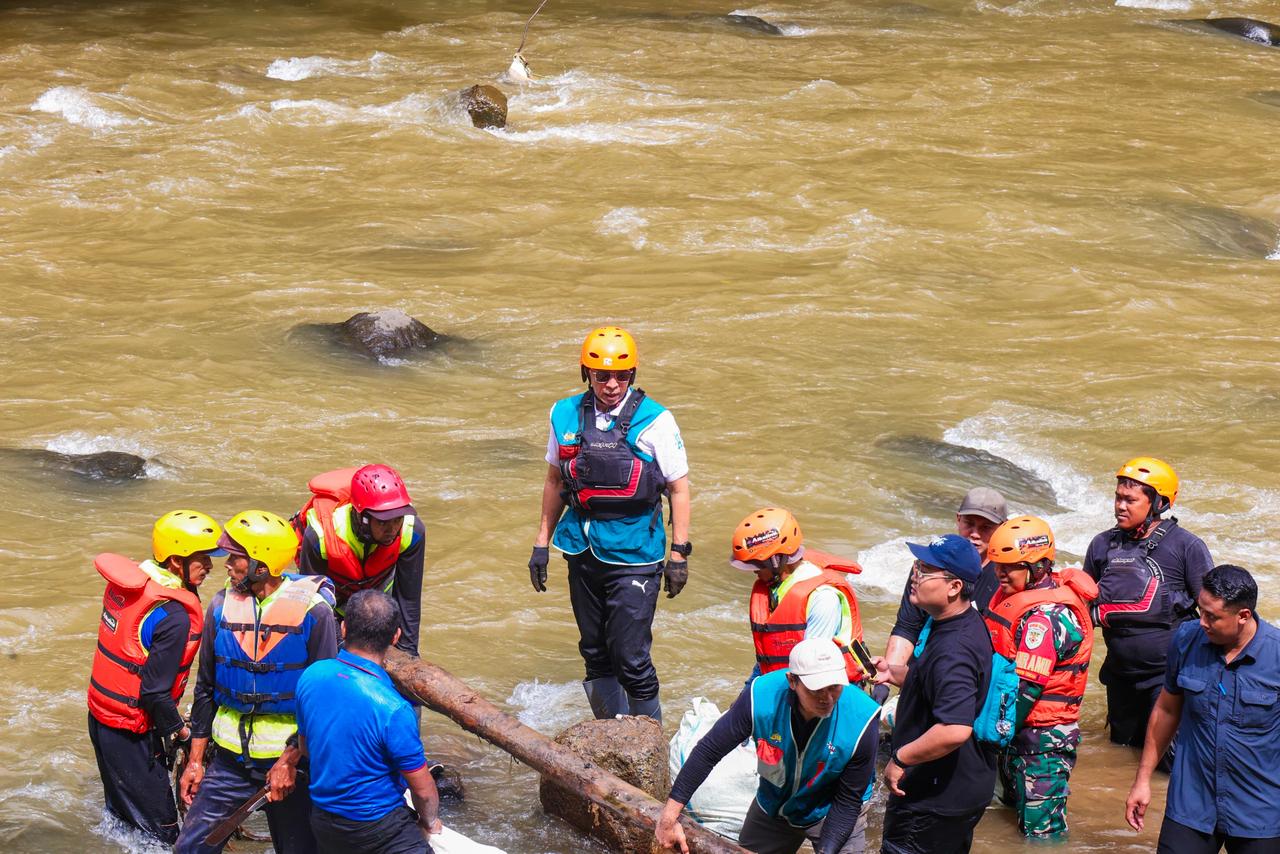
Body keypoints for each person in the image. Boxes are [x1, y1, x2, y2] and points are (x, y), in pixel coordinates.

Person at [528, 325, 691, 721]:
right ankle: (606, 733)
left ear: (632, 374)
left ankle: (648, 739)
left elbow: (679, 488)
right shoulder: (563, 413)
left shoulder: (657, 421)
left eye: (621, 376)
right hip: (581, 547)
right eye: (602, 376)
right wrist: (541, 543)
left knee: (631, 657)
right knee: (595, 652)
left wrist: (679, 554)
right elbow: (554, 480)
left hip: (635, 551)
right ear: (587, 373)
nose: (612, 385)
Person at [176, 510, 338, 854]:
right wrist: (195, 761)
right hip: (230, 764)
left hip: (291, 766)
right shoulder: (221, 606)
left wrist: (290, 761)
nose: (226, 564)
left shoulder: (315, 613)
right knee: (190, 849)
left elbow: (323, 702)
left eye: (235, 557)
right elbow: (205, 688)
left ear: (260, 567)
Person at [655, 638, 880, 854]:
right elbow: (709, 751)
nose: (827, 698)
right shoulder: (760, 697)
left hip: (831, 808)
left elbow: (848, 800)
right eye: (816, 689)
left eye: (834, 687)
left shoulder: (862, 718)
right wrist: (669, 817)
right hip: (776, 802)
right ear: (792, 681)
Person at [87, 510, 225, 845]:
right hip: (129, 734)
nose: (210, 565)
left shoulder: (137, 587)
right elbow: (154, 694)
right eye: (203, 558)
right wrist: (183, 733)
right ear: (177, 561)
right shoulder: (175, 616)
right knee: (163, 835)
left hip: (101, 720)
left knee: (122, 821)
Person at [1125, 565, 1280, 853]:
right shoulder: (1186, 639)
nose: (1203, 622)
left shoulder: (1276, 654)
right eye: (1201, 611)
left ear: (1243, 616)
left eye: (1212, 616)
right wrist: (1142, 780)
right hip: (1192, 805)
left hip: (1261, 810)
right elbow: (1167, 710)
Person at [872, 534, 997, 854]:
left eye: (926, 570)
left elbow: (955, 728)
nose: (915, 575)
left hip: (934, 799)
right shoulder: (960, 621)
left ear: (954, 587)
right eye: (917, 566)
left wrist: (900, 759)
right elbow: (938, 682)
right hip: (959, 787)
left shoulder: (954, 649)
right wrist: (894, 673)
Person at [1083, 457, 1213, 760]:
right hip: (1120, 676)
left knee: (1169, 763)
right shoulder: (1101, 545)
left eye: (1130, 500)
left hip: (1167, 678)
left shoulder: (1187, 547)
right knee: (1120, 757)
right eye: (1118, 497)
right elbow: (1082, 607)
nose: (1120, 506)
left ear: (1159, 503)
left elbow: (1213, 609)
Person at [296, 590, 442, 854]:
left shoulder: (311, 676)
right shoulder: (394, 707)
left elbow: (305, 748)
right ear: (395, 637)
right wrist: (430, 822)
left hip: (323, 819)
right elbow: (422, 790)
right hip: (378, 826)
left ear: (343, 628)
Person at [983, 516, 1098, 838]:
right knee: (1004, 826)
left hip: (1041, 745)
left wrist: (994, 733)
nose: (1000, 573)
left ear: (1038, 566)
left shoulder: (1045, 619)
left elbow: (1028, 688)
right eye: (998, 565)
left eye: (1010, 567)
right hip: (1015, 736)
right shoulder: (1016, 600)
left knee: (1042, 836)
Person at [298, 464, 425, 656]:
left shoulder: (412, 531)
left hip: (377, 594)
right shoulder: (319, 536)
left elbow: (409, 599)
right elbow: (314, 605)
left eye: (397, 520)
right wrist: (340, 647)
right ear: (362, 517)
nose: (392, 529)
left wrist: (408, 655)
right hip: (334, 595)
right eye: (382, 522)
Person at [729, 507, 866, 683]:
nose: (753, 570)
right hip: (780, 673)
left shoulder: (823, 598)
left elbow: (814, 669)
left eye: (757, 564)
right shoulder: (778, 583)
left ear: (777, 560)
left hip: (821, 683)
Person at [882, 488, 1007, 672]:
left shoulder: (1005, 579)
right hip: (921, 669)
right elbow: (907, 627)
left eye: (986, 527)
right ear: (958, 519)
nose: (975, 534)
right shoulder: (927, 566)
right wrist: (887, 674)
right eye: (969, 523)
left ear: (1003, 528)